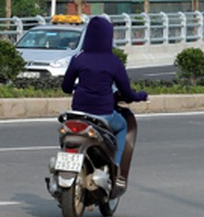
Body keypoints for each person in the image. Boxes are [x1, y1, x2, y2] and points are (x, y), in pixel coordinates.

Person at [60, 18, 148, 182]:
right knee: (122, 126)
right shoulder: (113, 62)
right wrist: (141, 96)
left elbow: (66, 87)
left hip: (77, 114)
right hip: (103, 115)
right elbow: (127, 94)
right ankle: (116, 170)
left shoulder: (79, 58)